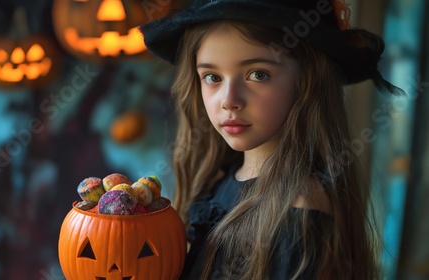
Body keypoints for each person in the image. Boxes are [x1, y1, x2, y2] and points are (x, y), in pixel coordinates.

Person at [140, 0, 404, 279]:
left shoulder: (297, 211)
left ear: (306, 81)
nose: (229, 100)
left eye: (258, 74)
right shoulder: (219, 180)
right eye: (212, 77)